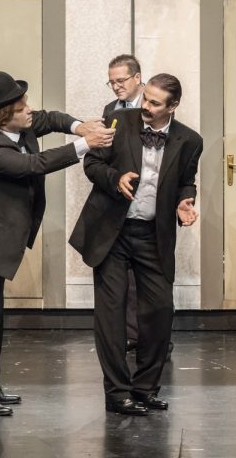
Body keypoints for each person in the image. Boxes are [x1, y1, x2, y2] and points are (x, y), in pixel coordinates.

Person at [0, 71, 113, 415]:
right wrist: (86, 144)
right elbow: (34, 164)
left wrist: (79, 126)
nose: (30, 109)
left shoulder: (19, 125)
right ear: (3, 114)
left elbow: (51, 118)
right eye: (22, 106)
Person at [70, 73, 202, 416]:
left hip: (153, 235)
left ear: (173, 106)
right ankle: (117, 393)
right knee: (111, 316)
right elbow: (92, 163)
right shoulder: (119, 120)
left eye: (155, 103)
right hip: (112, 232)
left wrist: (185, 201)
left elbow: (186, 181)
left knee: (159, 311)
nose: (146, 106)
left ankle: (145, 389)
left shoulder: (190, 140)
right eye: (146, 98)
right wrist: (115, 179)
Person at [103, 54, 147, 355]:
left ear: (137, 78)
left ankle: (157, 339)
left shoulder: (153, 105)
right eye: (112, 82)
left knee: (152, 278)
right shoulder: (111, 110)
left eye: (121, 81)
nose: (117, 86)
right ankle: (132, 335)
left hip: (150, 198)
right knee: (126, 276)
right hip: (120, 200)